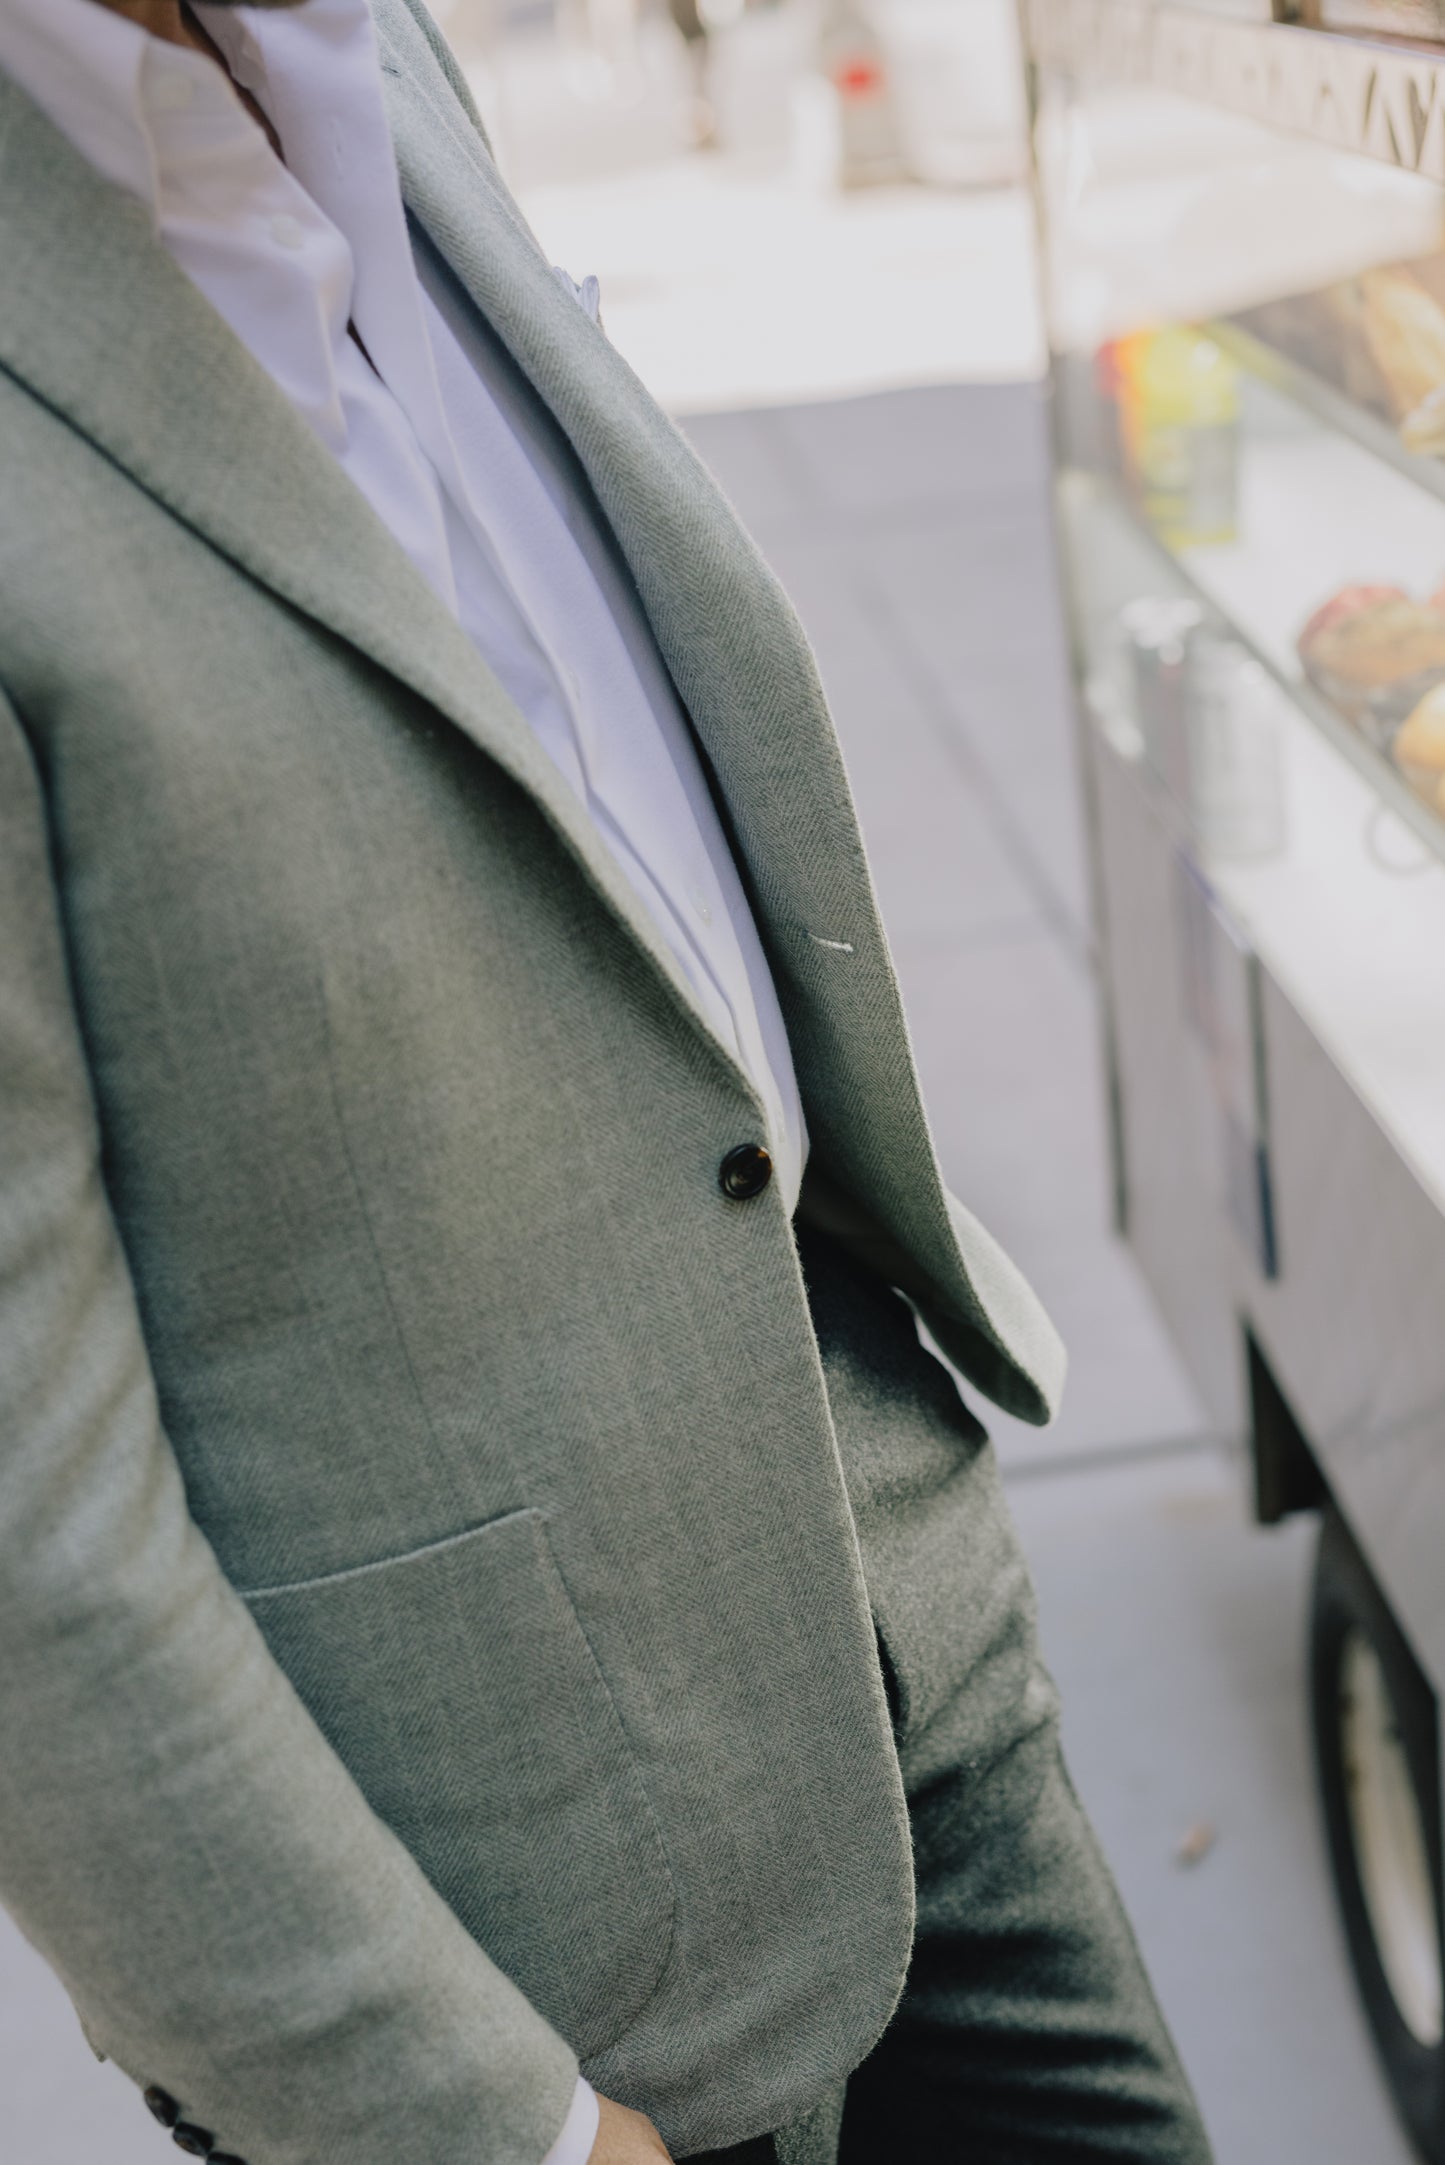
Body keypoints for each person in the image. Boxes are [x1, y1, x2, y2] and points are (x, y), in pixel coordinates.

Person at [0, 3, 1214, 2163]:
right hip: (526, 1941)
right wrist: (503, 2135)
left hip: (897, 1611)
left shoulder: (368, 51)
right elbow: (31, 1536)